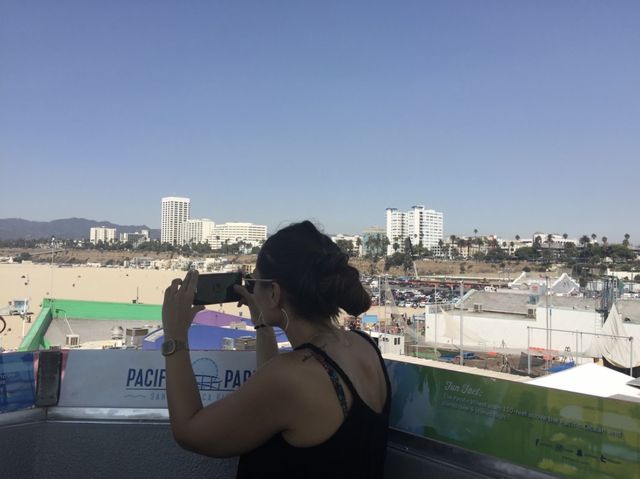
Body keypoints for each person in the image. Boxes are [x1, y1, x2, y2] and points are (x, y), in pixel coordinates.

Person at [162, 220, 391, 478]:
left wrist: (175, 337)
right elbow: (277, 400)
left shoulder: (294, 376)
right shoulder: (363, 346)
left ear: (274, 293)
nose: (251, 288)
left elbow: (189, 432)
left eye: (255, 281)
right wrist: (262, 324)